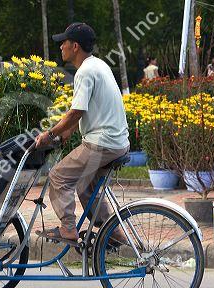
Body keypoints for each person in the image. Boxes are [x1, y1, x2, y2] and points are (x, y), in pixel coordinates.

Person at [35, 23, 130, 243]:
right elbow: (89, 110)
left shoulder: (85, 72)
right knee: (85, 185)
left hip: (103, 142)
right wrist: (65, 133)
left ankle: (67, 229)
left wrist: (50, 134)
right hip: (116, 141)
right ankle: (113, 232)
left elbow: (76, 111)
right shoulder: (98, 65)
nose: (61, 47)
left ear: (75, 46)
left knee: (58, 176)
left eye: (64, 43)